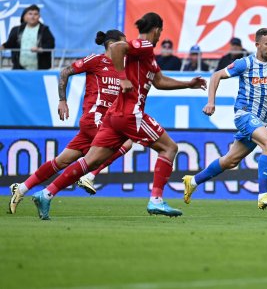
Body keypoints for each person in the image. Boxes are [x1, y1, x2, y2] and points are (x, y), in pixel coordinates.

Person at [30, 12, 207, 220]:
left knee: (90, 161)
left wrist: (188, 84)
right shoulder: (144, 45)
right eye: (160, 31)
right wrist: (122, 78)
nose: (160, 36)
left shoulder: (147, 57)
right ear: (157, 29)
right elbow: (115, 47)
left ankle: (46, 193)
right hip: (131, 114)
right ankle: (156, 200)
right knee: (170, 148)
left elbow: (159, 81)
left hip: (114, 116)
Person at [8, 30, 134, 215]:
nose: (127, 48)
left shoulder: (123, 68)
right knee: (127, 141)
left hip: (106, 122)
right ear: (112, 44)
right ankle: (89, 176)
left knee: (62, 161)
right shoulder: (96, 60)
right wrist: (62, 100)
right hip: (95, 118)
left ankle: (21, 189)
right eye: (124, 44)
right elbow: (66, 71)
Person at [182, 28, 267, 209]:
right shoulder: (244, 63)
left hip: (260, 121)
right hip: (244, 115)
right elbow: (216, 76)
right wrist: (211, 102)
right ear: (257, 45)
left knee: (230, 161)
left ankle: (193, 181)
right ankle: (263, 195)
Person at [1, 5, 55, 70]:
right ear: (25, 16)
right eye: (30, 14)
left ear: (39, 16)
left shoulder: (44, 30)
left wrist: (40, 49)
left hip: (40, 69)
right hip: (20, 69)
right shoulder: (17, 30)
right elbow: (10, 43)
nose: (33, 17)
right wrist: (3, 46)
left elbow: (51, 44)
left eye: (35, 14)